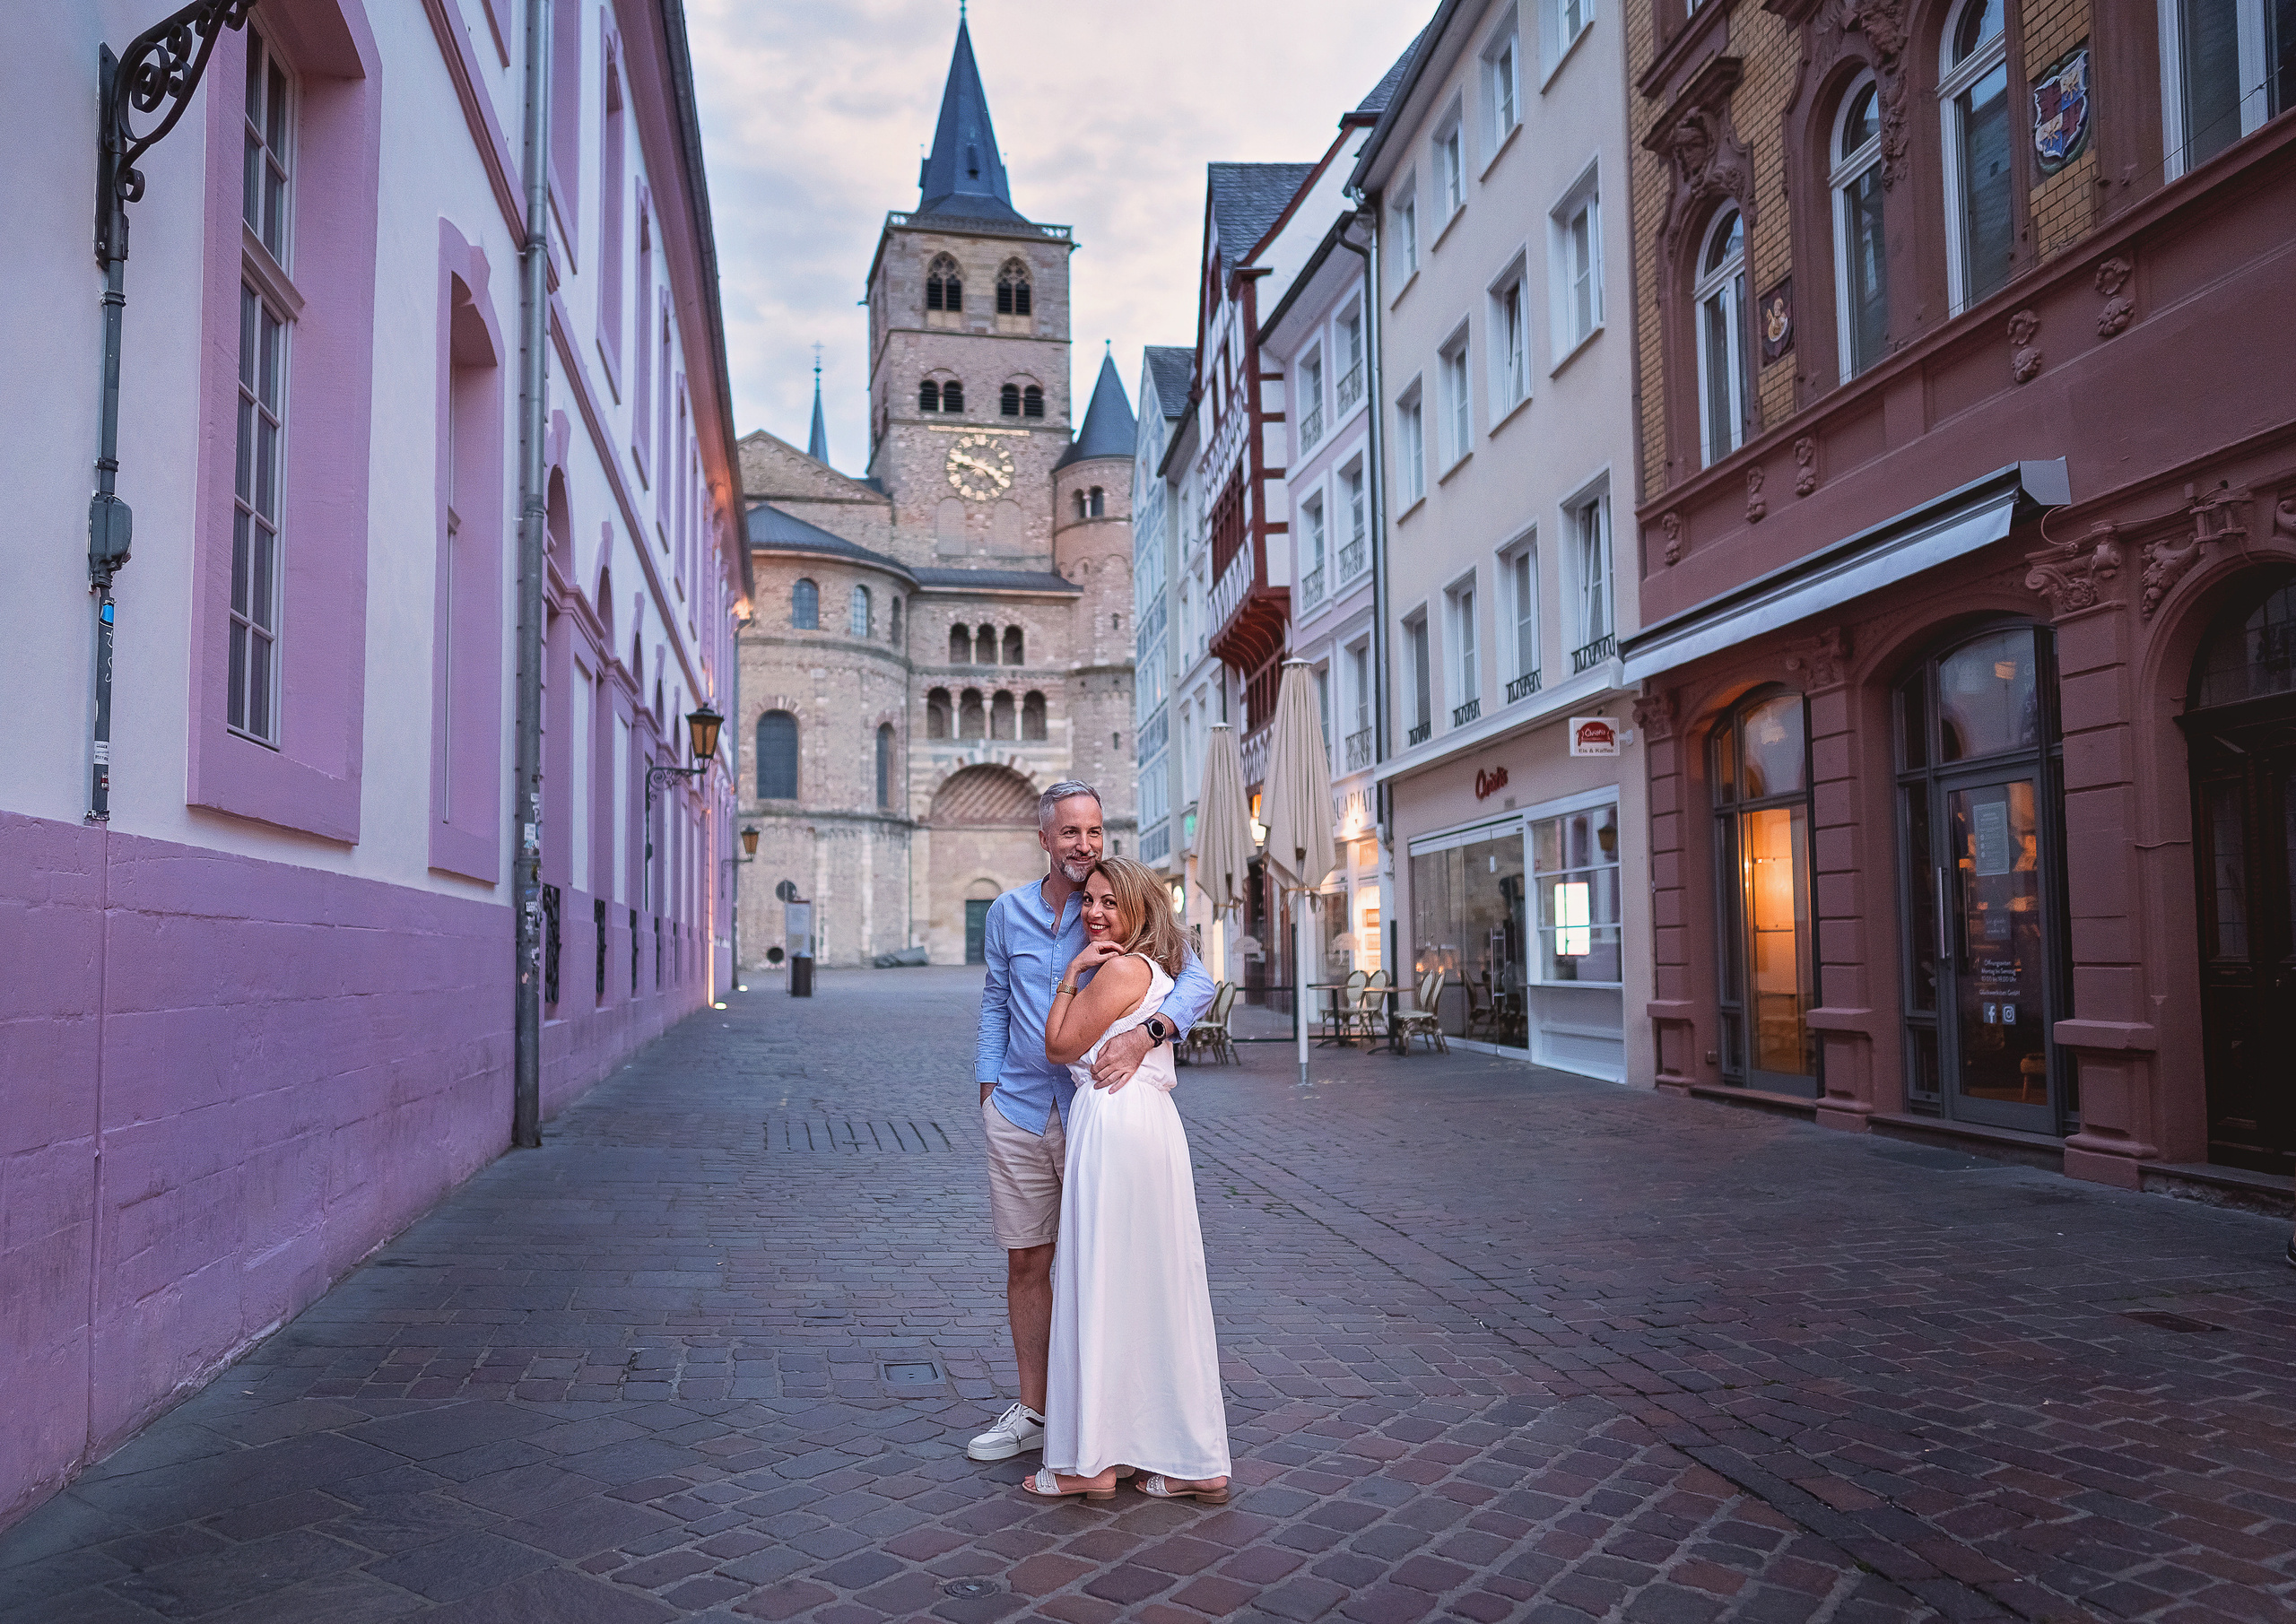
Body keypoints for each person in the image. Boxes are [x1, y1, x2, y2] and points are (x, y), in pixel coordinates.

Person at [969, 782, 1215, 1465]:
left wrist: (1151, 1034)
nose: (1085, 845)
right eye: (1071, 832)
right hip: (1019, 1107)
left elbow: (1196, 978)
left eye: (1096, 831)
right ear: (1044, 838)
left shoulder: (1115, 905)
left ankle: (1110, 1417)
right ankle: (1035, 1410)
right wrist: (987, 1086)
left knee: (1105, 1265)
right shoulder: (1006, 912)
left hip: (1097, 1113)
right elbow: (994, 1000)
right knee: (1028, 1260)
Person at [1021, 855, 1231, 1505]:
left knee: (1103, 1281)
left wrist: (1069, 976)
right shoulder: (1158, 969)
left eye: (1110, 902)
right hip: (1149, 1122)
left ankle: (1092, 1462)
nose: (1094, 911)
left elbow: (1056, 1045)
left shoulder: (1116, 969)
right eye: (1089, 900)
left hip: (1114, 1123)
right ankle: (1189, 1457)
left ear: (1138, 909)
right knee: (1157, 1284)